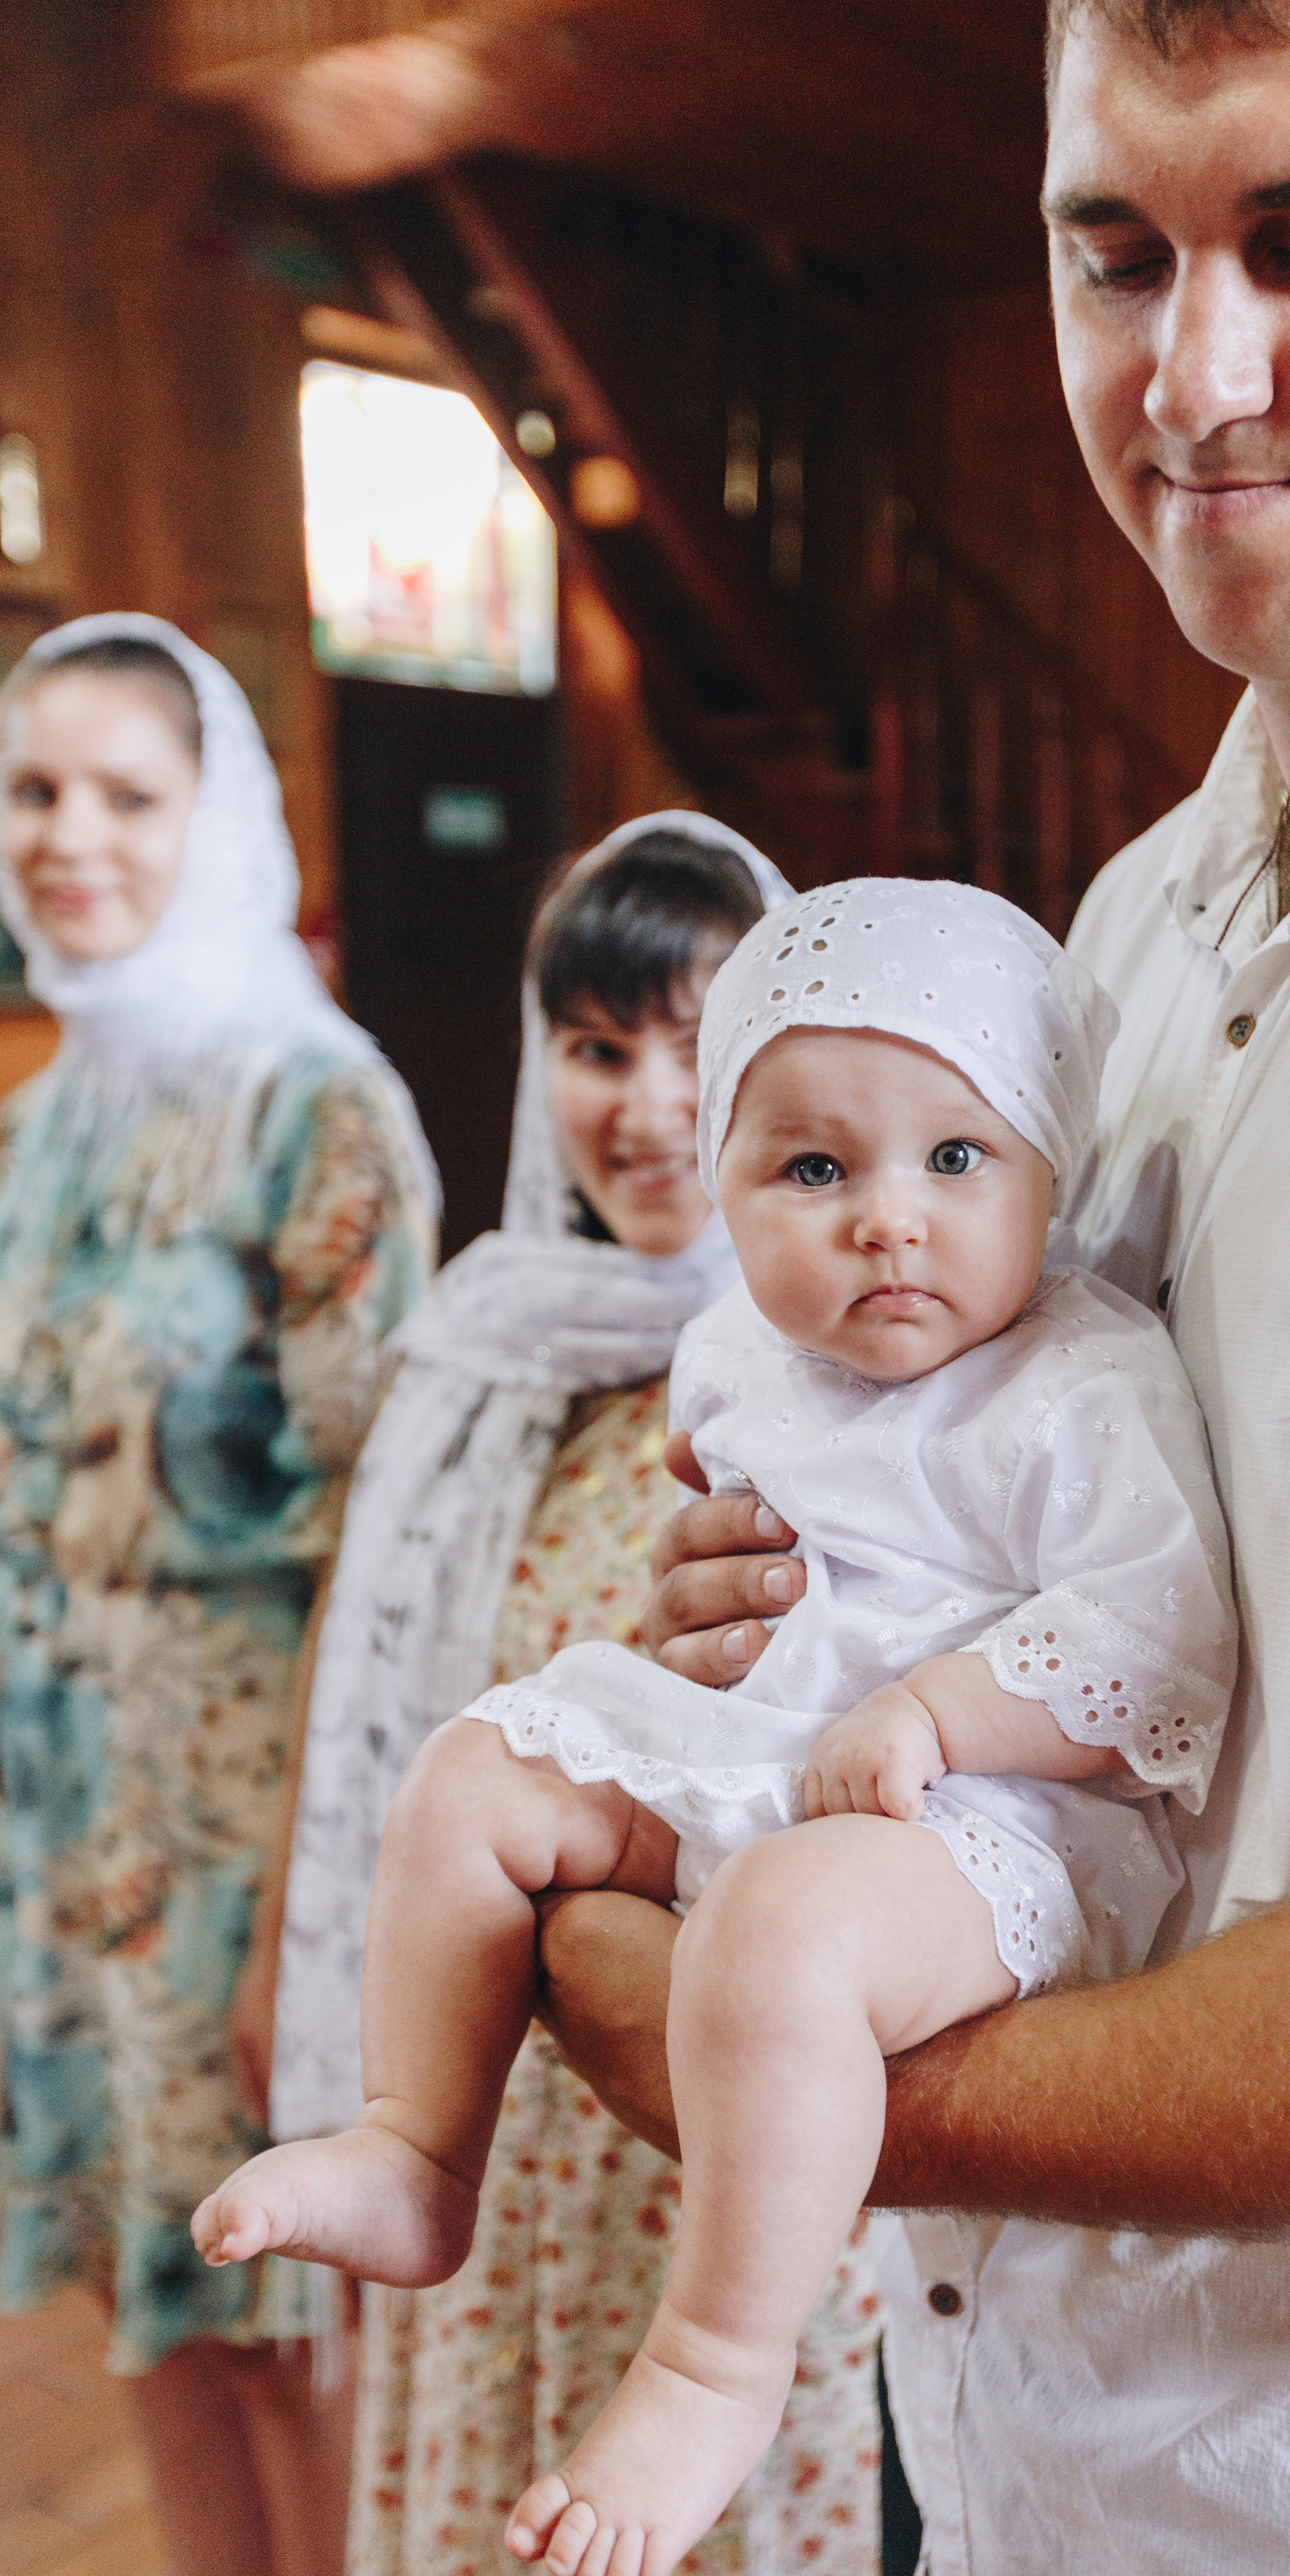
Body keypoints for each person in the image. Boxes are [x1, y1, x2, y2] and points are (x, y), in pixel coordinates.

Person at [535, 4, 1290, 2571]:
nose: (1188, 381)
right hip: (1031, 2448)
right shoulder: (1136, 924)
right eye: (1111, 249)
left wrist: (789, 2050)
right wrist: (851, 1573)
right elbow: (1172, 1630)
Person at [194, 876, 1238, 2576]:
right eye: (813, 1170)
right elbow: (713, 1547)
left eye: (954, 1160)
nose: (886, 1220)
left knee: (778, 1927)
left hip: (989, 1833)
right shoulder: (738, 1357)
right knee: (476, 1774)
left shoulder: (1080, 1381)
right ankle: (414, 2143)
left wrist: (936, 1704)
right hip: (769, 1758)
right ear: (732, 1182)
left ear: (1050, 1164)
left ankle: (711, 2367)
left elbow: (1160, 1641)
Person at [258, 814, 885, 2576]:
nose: (641, 1100)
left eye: (699, 1046)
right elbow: (379, 1695)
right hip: (494, 2108)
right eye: (598, 1048)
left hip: (707, 2116)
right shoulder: (480, 1352)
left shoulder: (840, 1389)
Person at [0, 615, 436, 2576]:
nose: (69, 835)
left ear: (220, 815)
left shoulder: (315, 1109)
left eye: (124, 794)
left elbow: (392, 1527)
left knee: (283, 2331)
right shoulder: (44, 1120)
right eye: (32, 792)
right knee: (140, 2306)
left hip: (258, 1836)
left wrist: (314, 1923)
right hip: (65, 1813)